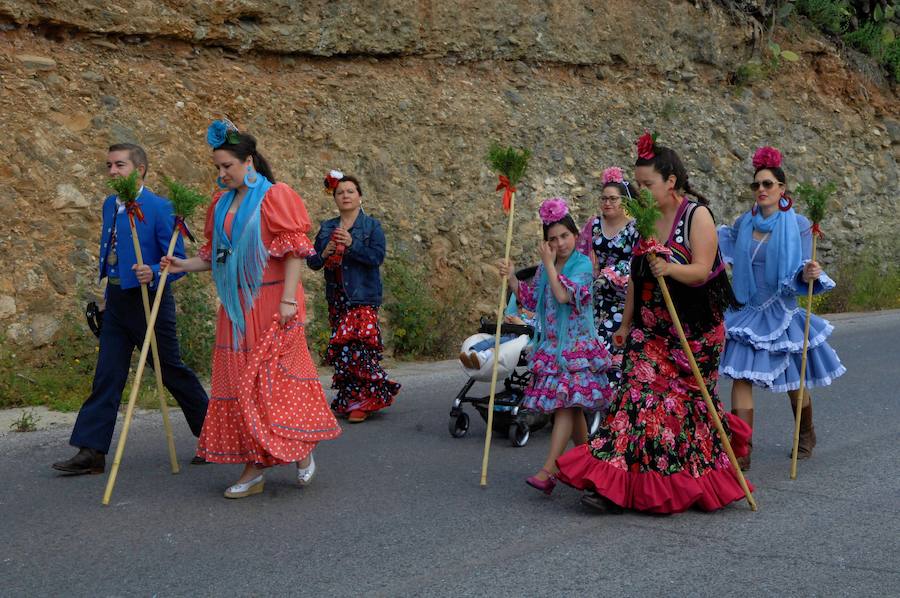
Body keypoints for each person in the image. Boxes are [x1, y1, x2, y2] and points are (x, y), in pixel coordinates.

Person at [555, 133, 752, 514]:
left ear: (671, 182)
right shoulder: (643, 221)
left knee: (679, 411)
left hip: (693, 331)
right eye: (637, 185)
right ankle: (612, 488)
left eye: (648, 184)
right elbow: (636, 277)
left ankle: (687, 481)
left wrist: (670, 267)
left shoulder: (697, 215)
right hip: (650, 328)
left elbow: (700, 270)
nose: (641, 192)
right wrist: (626, 323)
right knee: (633, 402)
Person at [162, 120, 340, 498]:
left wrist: (290, 301)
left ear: (249, 162)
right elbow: (215, 255)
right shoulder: (221, 203)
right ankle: (257, 464)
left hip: (275, 303)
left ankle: (296, 449)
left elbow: (294, 251)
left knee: (273, 385)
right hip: (236, 306)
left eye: (227, 166)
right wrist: (181, 265)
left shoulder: (276, 196)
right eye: (217, 167)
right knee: (242, 384)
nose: (221, 173)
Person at [52, 144, 209, 475]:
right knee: (107, 374)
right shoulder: (110, 204)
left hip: (149, 300)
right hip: (118, 299)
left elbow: (176, 260)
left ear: (139, 170)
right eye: (108, 165)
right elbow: (110, 251)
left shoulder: (161, 207)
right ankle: (91, 450)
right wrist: (108, 292)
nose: (111, 171)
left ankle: (213, 435)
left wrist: (153, 270)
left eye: (119, 165)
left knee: (171, 371)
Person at [717, 146, 845, 469]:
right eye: (757, 185)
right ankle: (742, 449)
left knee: (792, 379)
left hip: (781, 311)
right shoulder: (743, 223)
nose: (761, 189)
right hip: (746, 309)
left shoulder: (799, 225)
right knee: (740, 375)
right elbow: (721, 246)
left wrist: (809, 272)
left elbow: (803, 265)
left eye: (768, 184)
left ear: (781, 189)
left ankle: (805, 436)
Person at [498, 198, 612, 494]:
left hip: (576, 348)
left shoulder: (583, 265)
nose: (560, 243)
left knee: (564, 404)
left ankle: (549, 470)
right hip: (552, 346)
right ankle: (591, 467)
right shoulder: (547, 266)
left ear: (575, 235)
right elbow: (530, 297)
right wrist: (510, 276)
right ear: (546, 242)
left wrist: (549, 265)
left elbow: (563, 296)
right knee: (571, 408)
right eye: (553, 239)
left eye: (565, 236)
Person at [307, 172, 400, 423]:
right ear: (335, 199)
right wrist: (325, 252)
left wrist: (351, 244)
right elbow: (312, 262)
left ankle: (364, 401)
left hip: (362, 297)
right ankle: (350, 399)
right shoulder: (327, 227)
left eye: (350, 191)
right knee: (344, 352)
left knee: (359, 350)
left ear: (360, 197)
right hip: (337, 298)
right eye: (340, 192)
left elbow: (376, 258)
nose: (345, 196)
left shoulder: (372, 227)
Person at [575, 166, 640, 384]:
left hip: (624, 298)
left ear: (625, 202)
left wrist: (611, 273)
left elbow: (637, 263)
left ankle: (610, 392)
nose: (607, 203)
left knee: (614, 346)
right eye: (604, 198)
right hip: (597, 296)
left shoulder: (634, 228)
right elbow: (580, 254)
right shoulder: (593, 225)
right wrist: (587, 272)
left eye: (613, 198)